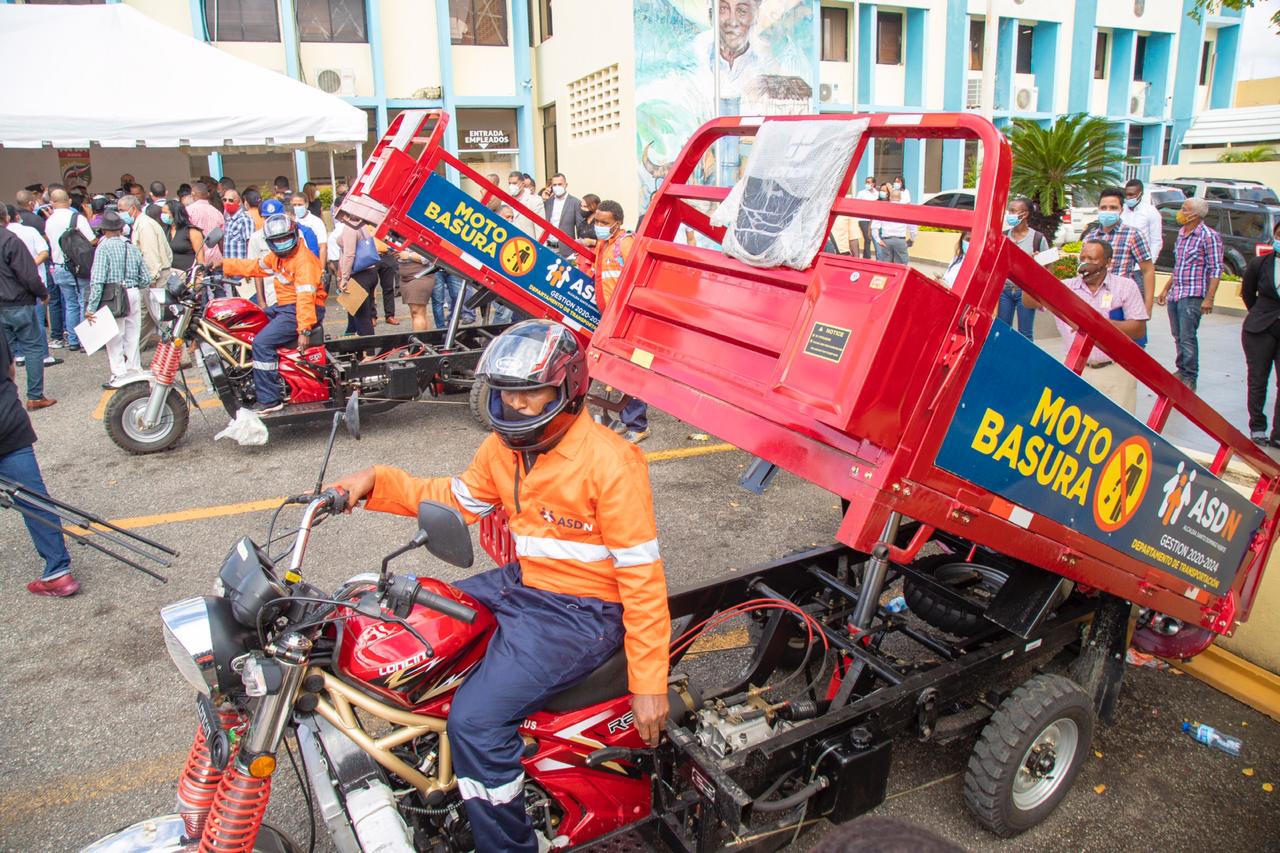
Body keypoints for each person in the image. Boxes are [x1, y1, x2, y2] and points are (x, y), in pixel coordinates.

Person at [326, 319, 670, 853]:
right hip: (525, 583)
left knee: (476, 721)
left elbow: (643, 580)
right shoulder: (501, 449)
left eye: (532, 394)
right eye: (509, 395)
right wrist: (376, 481)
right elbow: (454, 499)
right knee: (410, 620)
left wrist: (650, 682)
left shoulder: (612, 462)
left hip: (583, 612)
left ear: (568, 389)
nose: (518, 407)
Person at [218, 215, 327, 413]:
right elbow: (255, 267)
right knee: (249, 320)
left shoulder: (304, 262)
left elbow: (305, 299)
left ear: (294, 235)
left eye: (284, 239)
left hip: (302, 309)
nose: (281, 244)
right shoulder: (278, 257)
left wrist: (304, 330)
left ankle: (270, 399)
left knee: (261, 343)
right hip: (285, 307)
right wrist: (223, 264)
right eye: (276, 241)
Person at [1025, 240, 1149, 412]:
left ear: (1108, 261)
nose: (1085, 263)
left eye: (1092, 259)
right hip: (1075, 370)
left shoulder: (1125, 287)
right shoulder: (1066, 288)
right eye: (1082, 258)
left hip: (1115, 372)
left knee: (1117, 432)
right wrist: (1034, 272)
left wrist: (1100, 326)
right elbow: (1029, 301)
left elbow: (1138, 328)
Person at [1, 331, 78, 596]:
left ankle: (57, 572)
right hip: (10, 422)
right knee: (34, 499)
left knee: (34, 499)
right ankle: (59, 571)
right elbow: (10, 370)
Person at [592, 200, 650, 443]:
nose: (599, 226)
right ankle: (626, 420)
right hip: (611, 318)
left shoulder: (625, 244)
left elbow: (639, 277)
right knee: (616, 372)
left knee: (630, 372)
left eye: (604, 223)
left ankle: (638, 425)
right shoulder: (604, 244)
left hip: (627, 321)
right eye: (596, 221)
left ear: (618, 223)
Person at [1157, 196, 1221, 393]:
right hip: (1177, 292)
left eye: (1185, 209)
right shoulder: (1182, 233)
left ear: (1195, 214)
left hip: (1193, 294)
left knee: (1187, 336)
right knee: (1177, 335)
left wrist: (1209, 298)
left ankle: (1190, 375)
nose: (1180, 213)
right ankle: (1181, 369)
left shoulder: (1208, 236)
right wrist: (1166, 288)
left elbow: (1216, 269)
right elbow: (1179, 266)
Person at [86, 211, 149, 388]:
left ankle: (119, 373)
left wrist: (91, 306)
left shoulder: (103, 248)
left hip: (113, 295)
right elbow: (145, 278)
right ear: (121, 229)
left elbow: (97, 280)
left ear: (104, 230)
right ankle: (135, 368)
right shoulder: (131, 247)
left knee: (114, 336)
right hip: (133, 291)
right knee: (133, 333)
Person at [0, 213, 55, 410]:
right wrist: (42, 292)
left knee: (5, 352)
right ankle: (35, 396)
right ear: (5, 218)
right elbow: (28, 273)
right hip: (18, 302)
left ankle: (7, 398)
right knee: (32, 348)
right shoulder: (10, 240)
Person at [3, 206, 61, 370]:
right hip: (29, 290)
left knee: (9, 340)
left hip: (6, 296)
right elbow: (44, 252)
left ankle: (18, 355)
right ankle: (43, 357)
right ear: (14, 216)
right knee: (35, 333)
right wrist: (42, 291)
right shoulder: (28, 232)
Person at [1083, 187, 1155, 313]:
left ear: (1121, 210)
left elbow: (1148, 270)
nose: (1108, 211)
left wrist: (1147, 307)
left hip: (1122, 302)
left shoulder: (1133, 235)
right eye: (1103, 208)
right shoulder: (1090, 237)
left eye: (1113, 208)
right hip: (1095, 301)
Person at [44, 188, 97, 351]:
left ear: (52, 203)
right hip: (79, 267)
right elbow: (92, 240)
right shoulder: (76, 218)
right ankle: (85, 340)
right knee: (84, 302)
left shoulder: (49, 221)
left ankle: (73, 340)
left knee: (70, 304)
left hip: (59, 267)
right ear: (68, 201)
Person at [1242, 222, 1280, 446]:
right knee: (1258, 378)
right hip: (1259, 327)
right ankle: (1257, 427)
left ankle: (1278, 433)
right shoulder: (1259, 263)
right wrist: (1260, 312)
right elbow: (1248, 293)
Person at [119, 195, 173, 348]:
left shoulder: (145, 226)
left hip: (155, 277)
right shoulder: (141, 224)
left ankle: (132, 351)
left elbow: (150, 255)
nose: (120, 214)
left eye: (122, 210)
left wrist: (152, 279)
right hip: (152, 277)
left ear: (133, 209)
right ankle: (132, 351)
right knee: (151, 316)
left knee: (156, 315)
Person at [999, 197, 1050, 340]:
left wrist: (1037, 261)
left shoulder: (1038, 239)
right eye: (1009, 211)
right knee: (1002, 329)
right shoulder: (1003, 236)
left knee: (1025, 333)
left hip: (1026, 291)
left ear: (1025, 214)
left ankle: (1026, 361)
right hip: (1005, 290)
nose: (1010, 214)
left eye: (1014, 211)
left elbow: (1047, 267)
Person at [336, 217, 379, 336]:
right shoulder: (362, 224)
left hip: (358, 274)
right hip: (370, 272)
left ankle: (369, 352)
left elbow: (349, 255)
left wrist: (344, 278)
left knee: (362, 318)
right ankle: (365, 349)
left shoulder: (350, 227)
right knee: (363, 316)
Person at [220, 189, 254, 297]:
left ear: (239, 202)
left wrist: (248, 269)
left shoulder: (245, 219)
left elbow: (250, 244)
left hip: (241, 272)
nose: (227, 203)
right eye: (224, 200)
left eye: (231, 200)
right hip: (230, 271)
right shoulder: (229, 220)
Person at [1122, 178, 1163, 261]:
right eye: (1126, 194)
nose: (1128, 197)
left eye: (1131, 194)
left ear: (1141, 194)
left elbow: (1156, 241)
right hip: (1122, 262)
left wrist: (1150, 262)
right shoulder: (1121, 210)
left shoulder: (1151, 211)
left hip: (1140, 263)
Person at [542, 174, 582, 258]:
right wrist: (543, 200)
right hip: (548, 248)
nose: (557, 187)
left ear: (565, 185)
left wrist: (580, 249)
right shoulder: (548, 202)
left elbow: (580, 228)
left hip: (567, 251)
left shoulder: (575, 202)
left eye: (559, 184)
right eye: (554, 185)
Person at [872, 188, 915, 265]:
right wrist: (912, 239)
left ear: (890, 197)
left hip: (886, 241)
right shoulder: (905, 210)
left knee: (886, 268)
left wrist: (878, 240)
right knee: (901, 267)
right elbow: (913, 227)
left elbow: (874, 226)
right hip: (900, 240)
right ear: (900, 198)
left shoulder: (883, 209)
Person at [185, 182, 224, 267]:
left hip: (197, 259)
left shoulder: (188, 211)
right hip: (216, 260)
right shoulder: (217, 212)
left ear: (192, 194)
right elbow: (222, 240)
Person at [397, 248, 436, 331]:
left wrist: (409, 255)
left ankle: (419, 342)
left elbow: (428, 258)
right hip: (405, 276)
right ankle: (425, 341)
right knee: (418, 313)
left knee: (416, 312)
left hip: (421, 274)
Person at [162, 200, 205, 272]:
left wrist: (199, 277)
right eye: (162, 212)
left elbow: (200, 258)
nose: (162, 215)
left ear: (175, 214)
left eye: (165, 213)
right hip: (170, 276)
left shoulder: (191, 231)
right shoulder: (165, 230)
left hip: (188, 275)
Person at [291, 192, 328, 266]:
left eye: (300, 205)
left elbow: (323, 247)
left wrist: (322, 269)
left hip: (313, 263)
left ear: (306, 204)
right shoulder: (291, 222)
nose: (297, 207)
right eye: (294, 205)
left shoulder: (316, 222)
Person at [856, 176, 879, 259]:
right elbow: (856, 204)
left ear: (873, 184)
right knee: (867, 237)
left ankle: (879, 257)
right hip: (863, 219)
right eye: (866, 182)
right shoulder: (861, 193)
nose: (867, 184)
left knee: (875, 239)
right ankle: (867, 257)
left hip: (874, 219)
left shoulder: (877, 193)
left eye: (869, 182)